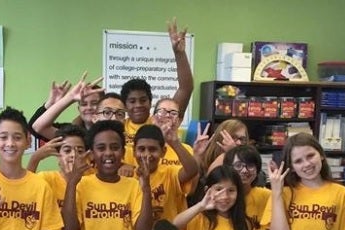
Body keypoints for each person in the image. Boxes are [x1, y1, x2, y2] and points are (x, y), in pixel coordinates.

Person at [131, 123, 198, 230]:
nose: (147, 154)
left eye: (153, 149)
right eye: (141, 149)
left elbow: (192, 169)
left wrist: (175, 142)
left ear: (163, 152)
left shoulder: (169, 173)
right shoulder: (129, 177)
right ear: (133, 151)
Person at [121, 18, 193, 147]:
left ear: (150, 103)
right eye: (132, 101)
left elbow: (185, 89)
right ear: (125, 105)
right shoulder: (119, 127)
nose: (138, 105)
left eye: (143, 100)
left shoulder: (163, 120)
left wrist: (179, 54)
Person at [33, 125, 87, 230]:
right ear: (58, 156)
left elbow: (71, 227)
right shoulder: (46, 179)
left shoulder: (89, 183)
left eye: (79, 150)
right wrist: (35, 159)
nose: (73, 155)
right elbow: (24, 190)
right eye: (67, 150)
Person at [189, 118, 249, 206]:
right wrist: (197, 156)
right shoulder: (206, 159)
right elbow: (193, 190)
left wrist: (233, 154)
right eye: (233, 138)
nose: (239, 143)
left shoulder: (249, 165)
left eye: (242, 139)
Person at [30, 73, 104, 140]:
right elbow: (35, 128)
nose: (89, 107)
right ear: (79, 109)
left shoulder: (112, 130)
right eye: (84, 104)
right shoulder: (71, 133)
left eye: (94, 103)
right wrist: (52, 103)